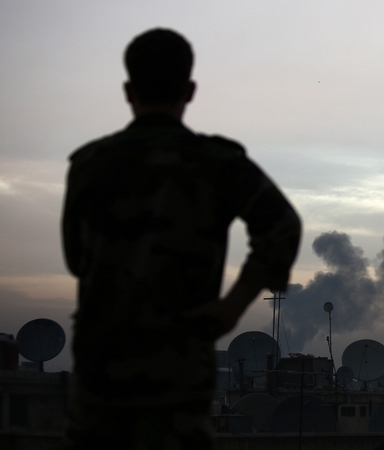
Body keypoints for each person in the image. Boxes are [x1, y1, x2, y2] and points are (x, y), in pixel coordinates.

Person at [60, 28, 302, 449]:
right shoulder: (217, 163)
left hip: (102, 372)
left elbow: (76, 258)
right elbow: (282, 225)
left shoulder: (90, 164)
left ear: (128, 90)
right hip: (179, 372)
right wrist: (233, 305)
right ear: (190, 90)